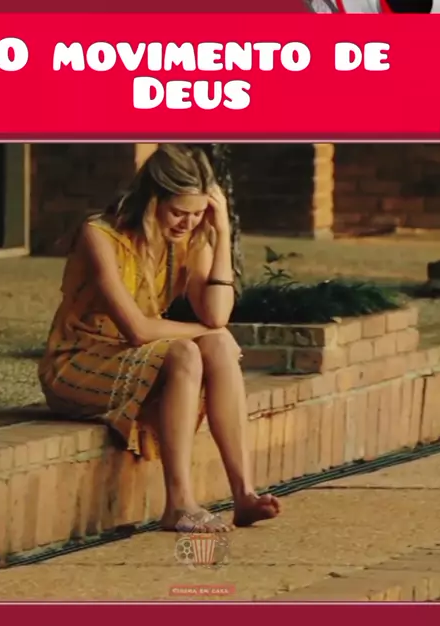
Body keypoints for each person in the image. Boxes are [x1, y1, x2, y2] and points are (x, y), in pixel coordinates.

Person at [39, 144, 280, 532]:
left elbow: (217, 315)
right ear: (152, 200)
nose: (188, 222)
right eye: (179, 212)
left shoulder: (191, 239)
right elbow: (138, 329)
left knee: (217, 345)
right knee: (187, 352)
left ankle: (244, 495)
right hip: (79, 363)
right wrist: (208, 331)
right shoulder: (99, 235)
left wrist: (222, 232)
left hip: (135, 357)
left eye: (198, 213)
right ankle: (179, 504)